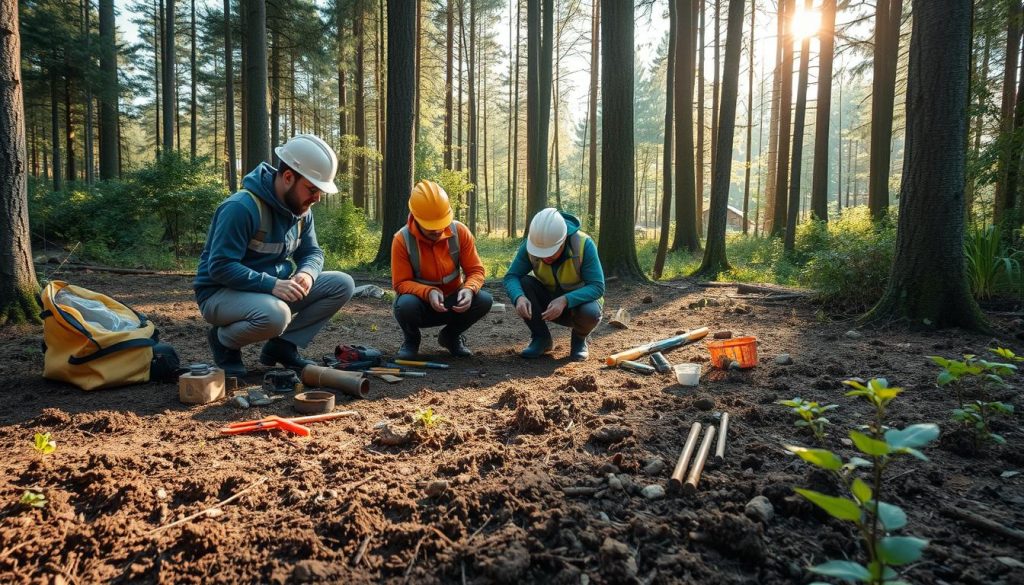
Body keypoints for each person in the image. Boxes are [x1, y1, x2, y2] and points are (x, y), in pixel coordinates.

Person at [193, 134, 355, 376]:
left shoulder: (301, 211)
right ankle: (224, 341)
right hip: (220, 294)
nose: (317, 198)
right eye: (312, 189)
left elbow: (312, 252)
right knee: (276, 315)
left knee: (342, 284)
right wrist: (271, 284)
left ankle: (282, 347)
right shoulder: (240, 208)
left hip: (271, 291)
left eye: (320, 191)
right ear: (288, 177)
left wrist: (307, 273)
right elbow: (221, 267)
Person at [391, 180, 492, 359]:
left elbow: (476, 271)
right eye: (431, 227)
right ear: (416, 217)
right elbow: (400, 283)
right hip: (421, 304)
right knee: (405, 305)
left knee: (483, 300)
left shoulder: (460, 232)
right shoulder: (401, 239)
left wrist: (469, 290)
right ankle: (411, 340)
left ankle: (451, 337)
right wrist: (428, 292)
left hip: (454, 301)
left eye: (441, 223)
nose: (438, 230)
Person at [503, 208, 605, 361]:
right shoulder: (531, 244)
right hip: (548, 304)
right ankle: (541, 338)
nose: (545, 257)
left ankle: (579, 340)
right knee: (523, 284)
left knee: (590, 313)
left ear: (563, 239)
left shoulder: (584, 244)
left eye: (551, 251)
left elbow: (597, 286)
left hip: (578, 307)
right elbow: (511, 276)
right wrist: (519, 297)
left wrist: (565, 300)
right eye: (540, 252)